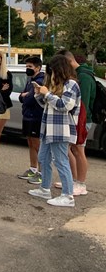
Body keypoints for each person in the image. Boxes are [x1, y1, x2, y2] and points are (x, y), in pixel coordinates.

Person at [28, 55, 81, 208]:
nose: (51, 73)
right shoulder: (56, 84)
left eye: (52, 70)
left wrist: (47, 93)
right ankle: (44, 189)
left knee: (61, 160)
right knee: (43, 158)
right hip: (48, 128)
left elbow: (65, 105)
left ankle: (68, 195)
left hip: (61, 129)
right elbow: (46, 104)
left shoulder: (71, 84)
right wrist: (39, 93)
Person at [56, 50, 95, 196]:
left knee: (79, 150)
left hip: (82, 120)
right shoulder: (79, 75)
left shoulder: (83, 77)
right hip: (76, 119)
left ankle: (81, 183)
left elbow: (81, 103)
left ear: (69, 62)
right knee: (72, 150)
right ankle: (73, 180)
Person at [17, 56, 46, 184]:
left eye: (30, 67)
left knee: (37, 144)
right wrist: (24, 96)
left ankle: (41, 172)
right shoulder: (30, 80)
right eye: (26, 66)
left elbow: (30, 98)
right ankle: (32, 168)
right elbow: (22, 96)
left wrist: (25, 96)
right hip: (27, 115)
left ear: (38, 68)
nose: (27, 69)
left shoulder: (40, 81)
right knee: (30, 143)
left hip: (36, 116)